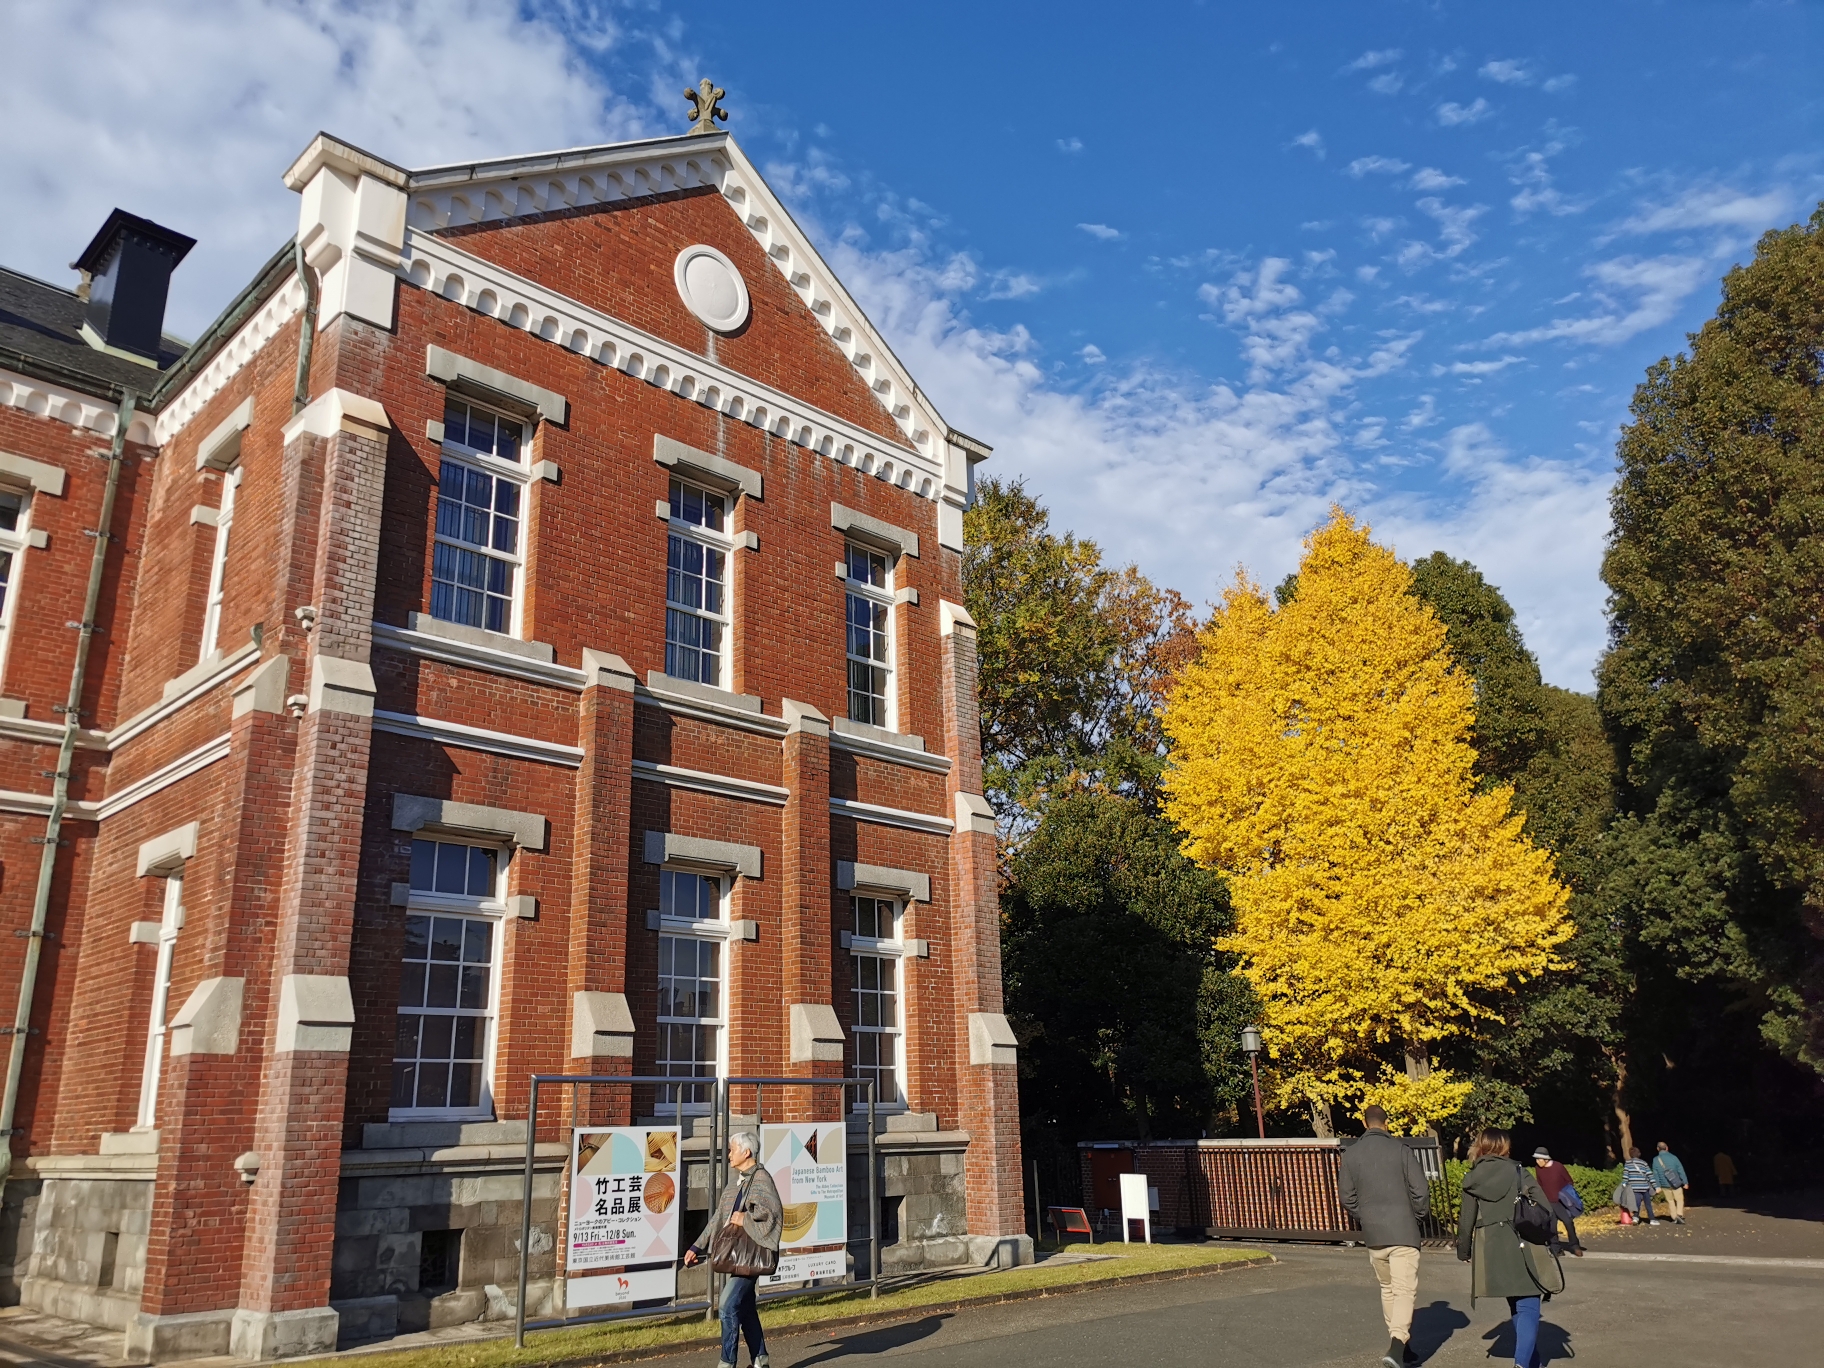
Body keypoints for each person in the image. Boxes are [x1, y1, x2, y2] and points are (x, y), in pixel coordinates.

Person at [1338, 1104, 1431, 1367]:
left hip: (1374, 1234)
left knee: (1388, 1289)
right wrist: (1418, 1217)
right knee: (1403, 1291)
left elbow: (1347, 1197)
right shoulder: (1401, 1150)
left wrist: (1365, 1217)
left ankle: (1404, 1347)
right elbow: (1420, 1191)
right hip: (1403, 1231)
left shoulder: (1351, 1155)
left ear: (1365, 1124)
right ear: (1386, 1123)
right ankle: (1397, 1346)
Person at [1457, 1129, 1559, 1368]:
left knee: (1516, 1303)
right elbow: (1546, 1208)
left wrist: (1465, 1251)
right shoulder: (1517, 1172)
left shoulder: (1473, 1177)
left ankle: (1532, 1361)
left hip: (1491, 1248)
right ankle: (1522, 1364)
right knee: (1528, 1305)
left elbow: (1465, 1220)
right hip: (1522, 1244)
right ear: (1504, 1146)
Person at [683, 1131, 783, 1368]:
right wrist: (697, 1246)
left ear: (746, 1152)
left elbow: (773, 1214)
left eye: (731, 1150)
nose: (728, 1155)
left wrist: (744, 1218)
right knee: (745, 1308)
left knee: (728, 1305)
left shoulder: (761, 1179)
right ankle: (761, 1360)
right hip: (736, 1254)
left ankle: (727, 1363)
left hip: (752, 1254)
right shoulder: (734, 1182)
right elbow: (719, 1217)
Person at [1531, 1147, 1585, 1257]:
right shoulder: (1538, 1169)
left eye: (1539, 1159)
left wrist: (1564, 1194)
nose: (1537, 1162)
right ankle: (1556, 1248)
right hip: (1548, 1202)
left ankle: (1574, 1246)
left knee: (1568, 1222)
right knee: (1552, 1226)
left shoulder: (1558, 1167)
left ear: (1545, 1159)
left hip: (1560, 1201)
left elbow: (1569, 1181)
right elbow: (1540, 1184)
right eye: (1536, 1159)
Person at [1651, 1142, 1690, 1224]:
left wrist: (1657, 1186)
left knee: (1670, 1201)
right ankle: (1679, 1214)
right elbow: (1680, 1170)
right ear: (1667, 1148)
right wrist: (1685, 1182)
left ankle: (1674, 1217)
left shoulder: (1655, 1160)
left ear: (1658, 1149)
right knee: (1679, 1199)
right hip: (1676, 1183)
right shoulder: (1674, 1157)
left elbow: (1655, 1174)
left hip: (1664, 1184)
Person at [1622, 1146, 1660, 1225]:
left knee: (1636, 1204)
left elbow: (1625, 1176)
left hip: (1634, 1188)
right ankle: (1652, 1219)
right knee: (1648, 1204)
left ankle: (1635, 1218)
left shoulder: (1628, 1163)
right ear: (1639, 1154)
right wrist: (1656, 1187)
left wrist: (1624, 1185)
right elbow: (1650, 1176)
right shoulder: (1644, 1163)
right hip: (1645, 1187)